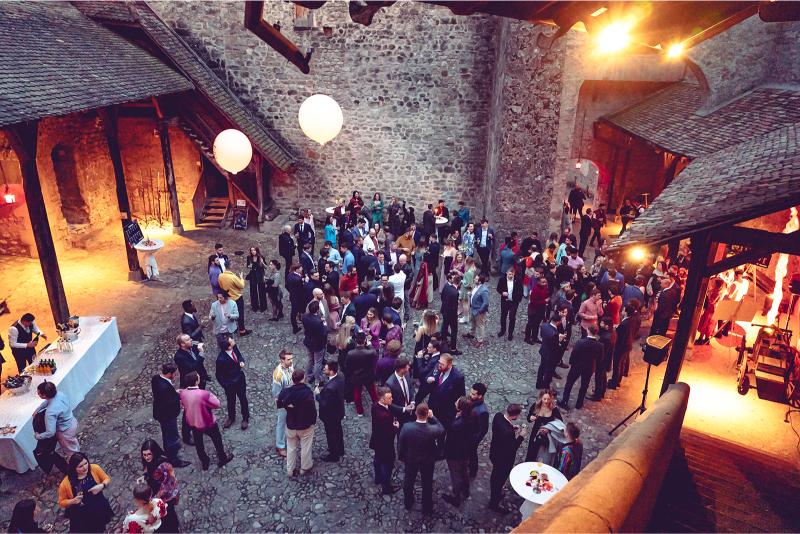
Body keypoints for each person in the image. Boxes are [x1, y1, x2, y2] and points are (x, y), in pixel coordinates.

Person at [179, 371, 232, 470]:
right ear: (196, 382)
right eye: (198, 377)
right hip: (207, 421)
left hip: (193, 422)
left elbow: (183, 404)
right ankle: (222, 458)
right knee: (217, 440)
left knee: (199, 443)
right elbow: (216, 404)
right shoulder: (204, 394)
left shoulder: (183, 393)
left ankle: (204, 461)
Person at [397, 403, 445, 513]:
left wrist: (401, 457)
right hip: (428, 461)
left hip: (411, 459)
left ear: (415, 413)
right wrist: (433, 417)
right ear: (427, 414)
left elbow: (401, 444)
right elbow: (442, 429)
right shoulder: (433, 429)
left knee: (408, 482)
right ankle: (427, 507)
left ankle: (408, 502)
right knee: (427, 484)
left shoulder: (407, 427)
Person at [58, 453, 113, 533]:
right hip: (82, 513)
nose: (85, 467)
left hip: (98, 505)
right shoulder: (65, 483)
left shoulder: (94, 468)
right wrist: (73, 501)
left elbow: (106, 478)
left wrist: (102, 485)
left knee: (100, 526)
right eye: (80, 466)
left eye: (86, 463)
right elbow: (61, 502)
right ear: (74, 468)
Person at [488, 404, 528, 514]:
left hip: (494, 453)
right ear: (515, 416)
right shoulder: (508, 433)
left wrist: (511, 427)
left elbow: (501, 428)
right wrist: (521, 436)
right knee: (498, 480)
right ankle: (494, 503)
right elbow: (512, 449)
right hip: (503, 461)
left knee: (495, 477)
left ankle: (496, 494)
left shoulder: (498, 416)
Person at [276, 369, 317, 477]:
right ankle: (304, 467)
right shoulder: (307, 392)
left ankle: (290, 470)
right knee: (306, 447)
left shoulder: (286, 392)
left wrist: (288, 406)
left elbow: (279, 403)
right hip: (305, 425)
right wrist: (313, 421)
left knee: (291, 448)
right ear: (302, 378)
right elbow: (312, 410)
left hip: (291, 425)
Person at [150, 363, 191, 468]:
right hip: (167, 416)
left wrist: (174, 392)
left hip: (160, 413)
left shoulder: (156, 379)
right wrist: (178, 396)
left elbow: (165, 396)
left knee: (166, 435)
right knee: (172, 438)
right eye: (175, 374)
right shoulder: (165, 388)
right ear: (169, 374)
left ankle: (169, 452)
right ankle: (173, 460)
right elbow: (170, 401)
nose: (176, 375)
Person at [139, 439, 181, 533]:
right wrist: (144, 477)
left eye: (149, 454)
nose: (146, 457)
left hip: (165, 497)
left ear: (154, 452)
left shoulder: (165, 465)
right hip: (155, 493)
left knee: (168, 514)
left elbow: (169, 485)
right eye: (144, 455)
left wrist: (156, 498)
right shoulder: (150, 461)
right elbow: (148, 471)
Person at [416, 353, 465, 430]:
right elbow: (427, 377)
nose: (439, 365)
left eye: (442, 364)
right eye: (439, 362)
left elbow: (461, 396)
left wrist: (454, 412)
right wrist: (428, 380)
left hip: (445, 411)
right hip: (432, 405)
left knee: (441, 430)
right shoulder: (437, 366)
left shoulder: (458, 377)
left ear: (449, 365)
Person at [559, 323, 602, 410]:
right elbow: (600, 358)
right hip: (589, 368)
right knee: (584, 385)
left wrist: (572, 363)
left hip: (577, 366)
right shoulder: (600, 345)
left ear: (588, 331)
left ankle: (564, 401)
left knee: (569, 383)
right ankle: (579, 403)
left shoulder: (581, 342)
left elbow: (574, 354)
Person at [442, 396, 474, 508]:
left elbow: (451, 439)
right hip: (465, 451)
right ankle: (466, 491)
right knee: (464, 471)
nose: (455, 401)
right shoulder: (471, 416)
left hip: (454, 453)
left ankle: (456, 498)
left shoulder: (457, 424)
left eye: (457, 402)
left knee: (455, 475)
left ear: (460, 408)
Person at [215, 334, 250, 430]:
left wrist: (241, 361)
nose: (233, 340)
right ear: (228, 346)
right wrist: (226, 385)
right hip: (230, 384)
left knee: (243, 399)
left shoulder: (234, 347)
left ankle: (245, 418)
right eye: (231, 341)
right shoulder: (221, 359)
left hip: (240, 379)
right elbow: (218, 375)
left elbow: (239, 355)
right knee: (231, 401)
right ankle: (231, 417)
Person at [370, 386, 400, 495]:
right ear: (382, 399)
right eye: (389, 398)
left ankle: (377, 478)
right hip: (386, 445)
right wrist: (396, 427)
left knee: (377, 459)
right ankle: (386, 488)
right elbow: (389, 432)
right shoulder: (385, 416)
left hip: (376, 441)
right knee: (387, 465)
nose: (391, 399)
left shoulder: (375, 406)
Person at [316, 360, 346, 462]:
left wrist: (318, 395)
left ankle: (334, 455)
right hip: (339, 411)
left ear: (332, 371)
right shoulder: (340, 376)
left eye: (326, 368)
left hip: (330, 416)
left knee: (331, 434)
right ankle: (340, 449)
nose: (324, 369)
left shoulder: (330, 388)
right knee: (338, 432)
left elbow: (324, 403)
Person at [524, 388, 562, 462]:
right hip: (536, 432)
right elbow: (529, 418)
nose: (546, 401)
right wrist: (530, 417)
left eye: (548, 399)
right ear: (541, 398)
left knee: (542, 455)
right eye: (544, 399)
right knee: (532, 451)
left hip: (547, 435)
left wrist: (549, 429)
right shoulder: (536, 405)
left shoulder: (554, 409)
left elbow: (559, 423)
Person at [346, 331, 378, 416]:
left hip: (356, 376)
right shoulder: (369, 352)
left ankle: (360, 411)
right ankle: (377, 407)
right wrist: (370, 344)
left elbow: (348, 367)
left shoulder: (350, 353)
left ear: (355, 340)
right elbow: (375, 353)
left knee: (357, 394)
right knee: (372, 392)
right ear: (365, 340)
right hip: (368, 375)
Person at [270, 349, 294, 458]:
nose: (291, 361)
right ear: (282, 360)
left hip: (291, 398)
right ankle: (280, 445)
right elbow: (276, 394)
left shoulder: (290, 366)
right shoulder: (278, 375)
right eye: (289, 359)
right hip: (284, 402)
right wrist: (285, 404)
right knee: (281, 423)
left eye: (291, 358)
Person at [608, 304, 636, 390]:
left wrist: (617, 330)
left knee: (617, 365)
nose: (622, 311)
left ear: (626, 312)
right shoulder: (632, 320)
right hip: (628, 345)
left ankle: (614, 382)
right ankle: (618, 381)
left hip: (621, 347)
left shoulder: (624, 324)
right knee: (622, 363)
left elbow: (620, 337)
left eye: (623, 310)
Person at [302, 300, 328, 386]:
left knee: (310, 360)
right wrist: (324, 324)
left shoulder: (304, 316)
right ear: (317, 310)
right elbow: (323, 334)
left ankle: (309, 376)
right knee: (318, 362)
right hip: (318, 345)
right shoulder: (318, 322)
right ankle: (318, 379)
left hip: (308, 342)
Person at [589, 317, 615, 401]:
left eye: (602, 323)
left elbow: (601, 350)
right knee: (603, 376)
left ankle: (597, 395)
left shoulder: (605, 338)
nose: (600, 324)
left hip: (602, 360)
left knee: (599, 377)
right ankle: (601, 392)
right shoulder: (612, 333)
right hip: (606, 359)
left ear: (606, 325)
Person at [467, 383, 489, 478]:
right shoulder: (472, 401)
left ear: (480, 396)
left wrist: (473, 440)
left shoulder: (483, 411)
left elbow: (483, 429)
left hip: (472, 438)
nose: (470, 395)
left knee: (472, 453)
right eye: (471, 392)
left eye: (473, 394)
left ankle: (473, 471)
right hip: (467, 434)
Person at [386, 357, 416, 425]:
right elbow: (389, 403)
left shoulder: (407, 374)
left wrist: (412, 402)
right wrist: (404, 409)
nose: (409, 367)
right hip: (400, 413)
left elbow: (411, 388)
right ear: (402, 369)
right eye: (407, 366)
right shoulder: (390, 384)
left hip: (410, 410)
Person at [537, 313, 563, 390]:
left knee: (541, 367)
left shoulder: (544, 325)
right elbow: (556, 345)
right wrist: (560, 340)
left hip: (543, 350)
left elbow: (542, 336)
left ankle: (538, 383)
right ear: (558, 322)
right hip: (551, 354)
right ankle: (546, 385)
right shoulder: (555, 333)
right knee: (549, 370)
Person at [696, 277, 726, 344]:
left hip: (710, 310)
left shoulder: (715, 292)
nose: (712, 283)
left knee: (706, 324)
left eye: (714, 283)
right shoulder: (720, 292)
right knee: (709, 325)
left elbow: (711, 301)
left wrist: (708, 294)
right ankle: (706, 339)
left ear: (717, 284)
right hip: (713, 310)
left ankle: (701, 339)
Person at [497, 268, 523, 341]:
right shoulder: (502, 279)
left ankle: (510, 333)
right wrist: (502, 293)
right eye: (509, 274)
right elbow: (498, 288)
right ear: (506, 273)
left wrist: (518, 300)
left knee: (512, 317)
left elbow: (521, 290)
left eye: (512, 274)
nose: (510, 276)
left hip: (513, 302)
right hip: (505, 301)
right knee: (503, 316)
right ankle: (503, 331)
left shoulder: (518, 280)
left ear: (514, 274)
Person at [465, 274, 489, 347]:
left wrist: (480, 311)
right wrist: (470, 294)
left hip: (479, 311)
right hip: (473, 309)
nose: (474, 280)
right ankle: (472, 333)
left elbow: (486, 303)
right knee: (473, 322)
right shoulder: (475, 286)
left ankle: (480, 340)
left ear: (480, 281)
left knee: (480, 325)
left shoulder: (484, 290)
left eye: (476, 279)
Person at [525, 276, 549, 345]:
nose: (545, 283)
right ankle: (527, 338)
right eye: (543, 282)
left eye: (545, 282)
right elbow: (533, 301)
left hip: (541, 309)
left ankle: (534, 337)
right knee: (530, 324)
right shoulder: (535, 289)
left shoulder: (545, 288)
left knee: (537, 324)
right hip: (533, 309)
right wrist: (544, 301)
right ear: (538, 282)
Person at [245, 246, 268, 312]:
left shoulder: (261, 257)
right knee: (253, 291)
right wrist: (249, 266)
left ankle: (263, 306)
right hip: (252, 275)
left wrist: (262, 262)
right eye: (251, 250)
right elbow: (248, 266)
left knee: (262, 291)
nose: (253, 252)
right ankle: (255, 306)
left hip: (260, 275)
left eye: (254, 250)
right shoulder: (249, 257)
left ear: (257, 250)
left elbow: (266, 267)